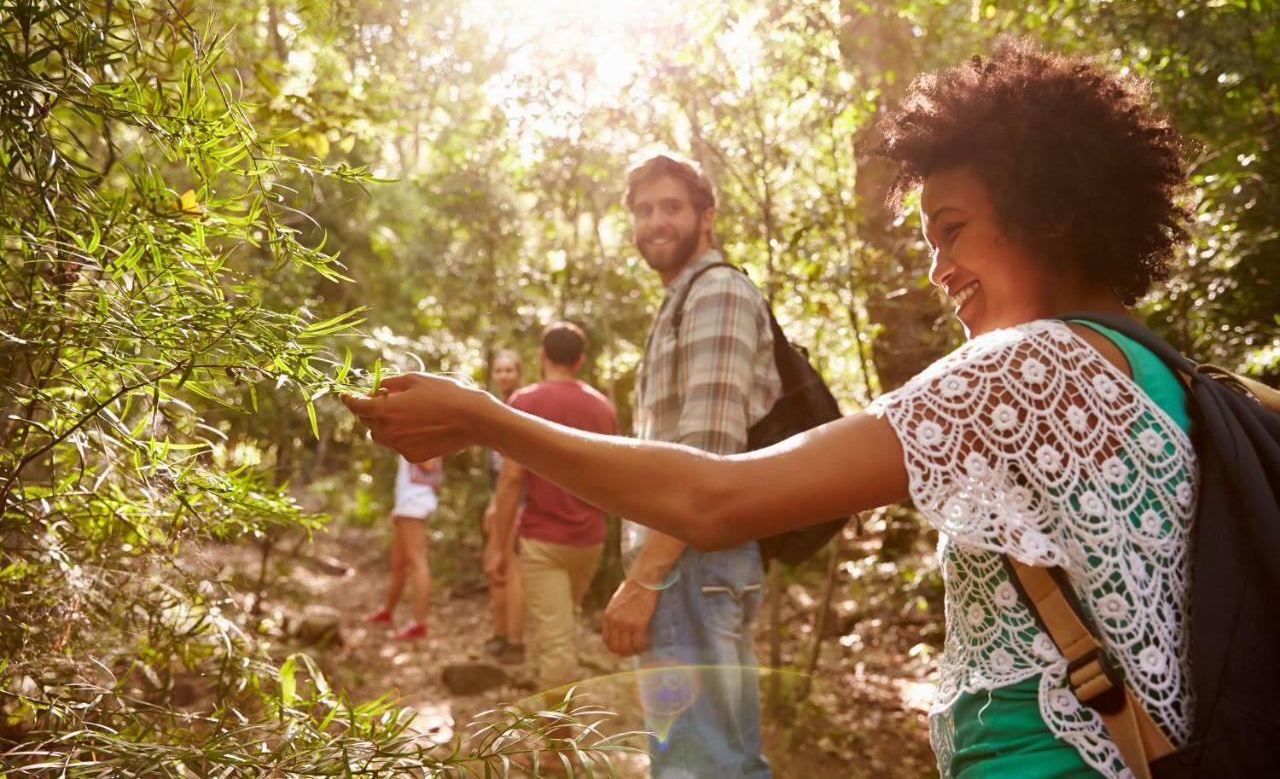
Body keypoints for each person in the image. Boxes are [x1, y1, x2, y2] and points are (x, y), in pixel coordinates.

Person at [346, 39, 1196, 779]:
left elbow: (718, 494)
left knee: (703, 756)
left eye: (952, 228)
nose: (938, 268)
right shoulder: (1175, 376)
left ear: (1048, 215)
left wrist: (486, 417)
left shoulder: (1024, 368)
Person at [602, 151, 779, 777]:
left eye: (672, 206)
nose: (656, 220)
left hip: (692, 563)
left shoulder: (718, 293)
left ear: (706, 216)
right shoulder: (679, 300)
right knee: (713, 760)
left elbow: (707, 458)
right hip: (687, 563)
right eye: (644, 209)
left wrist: (645, 580)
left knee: (700, 766)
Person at [484, 322, 618, 700]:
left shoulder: (525, 402)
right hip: (589, 541)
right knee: (560, 625)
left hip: (543, 540)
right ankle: (551, 708)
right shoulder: (603, 408)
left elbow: (510, 481)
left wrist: (497, 545)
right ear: (580, 360)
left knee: (557, 641)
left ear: (542, 355)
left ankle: (557, 749)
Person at [367, 455, 443, 640]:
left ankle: (419, 624)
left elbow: (430, 462)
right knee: (398, 563)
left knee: (418, 563)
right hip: (406, 503)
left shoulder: (425, 429)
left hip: (415, 503)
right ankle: (387, 612)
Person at [482, 349, 525, 662]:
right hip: (498, 499)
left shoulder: (524, 406)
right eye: (499, 370)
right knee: (494, 566)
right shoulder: (495, 407)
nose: (505, 375)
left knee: (509, 567)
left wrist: (509, 505)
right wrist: (493, 503)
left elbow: (519, 470)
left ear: (519, 373)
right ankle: (499, 634)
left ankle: (514, 641)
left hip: (519, 502)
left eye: (510, 370)